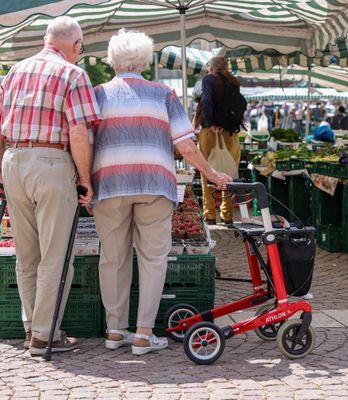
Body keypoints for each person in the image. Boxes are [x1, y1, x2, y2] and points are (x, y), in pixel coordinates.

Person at [91, 30, 232, 355]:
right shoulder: (164, 94)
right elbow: (186, 145)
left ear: (112, 60)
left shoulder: (98, 95)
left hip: (110, 184)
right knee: (153, 259)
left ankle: (115, 331)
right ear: (145, 61)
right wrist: (211, 174)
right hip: (155, 184)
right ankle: (142, 335)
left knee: (112, 258)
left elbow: (84, 140)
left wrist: (85, 183)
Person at [0, 16, 100, 356]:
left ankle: (34, 329)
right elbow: (78, 131)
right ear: (74, 46)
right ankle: (44, 335)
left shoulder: (14, 71)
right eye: (81, 47)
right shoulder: (73, 74)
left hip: (14, 160)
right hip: (52, 162)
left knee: (26, 256)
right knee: (55, 256)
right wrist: (85, 178)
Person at [196, 56, 241, 225]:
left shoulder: (209, 79)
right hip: (230, 134)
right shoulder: (234, 82)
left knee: (206, 170)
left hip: (209, 132)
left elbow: (206, 100)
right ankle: (227, 214)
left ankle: (209, 214)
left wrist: (211, 122)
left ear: (212, 68)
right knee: (228, 172)